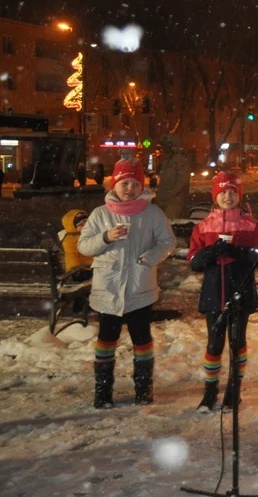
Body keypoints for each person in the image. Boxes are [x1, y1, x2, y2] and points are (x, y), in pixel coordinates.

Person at [77, 159, 175, 409]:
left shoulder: (152, 213)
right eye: (124, 183)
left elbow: (167, 241)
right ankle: (103, 391)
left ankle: (143, 389)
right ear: (114, 184)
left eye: (134, 183)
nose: (129, 188)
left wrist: (149, 258)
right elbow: (84, 246)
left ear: (141, 186)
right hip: (107, 290)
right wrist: (105, 237)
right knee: (106, 341)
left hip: (139, 289)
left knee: (142, 341)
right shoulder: (101, 214)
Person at [187, 172, 258, 413]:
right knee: (214, 343)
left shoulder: (252, 226)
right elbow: (193, 260)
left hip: (240, 291)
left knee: (236, 341)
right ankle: (210, 391)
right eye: (222, 192)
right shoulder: (203, 227)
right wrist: (211, 252)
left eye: (233, 192)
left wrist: (235, 250)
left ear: (239, 196)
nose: (228, 196)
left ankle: (234, 389)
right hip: (214, 292)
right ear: (215, 196)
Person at [154, 134, 192, 220]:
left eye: (166, 146)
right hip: (165, 199)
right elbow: (165, 179)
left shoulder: (180, 159)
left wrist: (172, 193)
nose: (164, 148)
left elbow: (183, 180)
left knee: (170, 223)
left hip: (174, 201)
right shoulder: (168, 160)